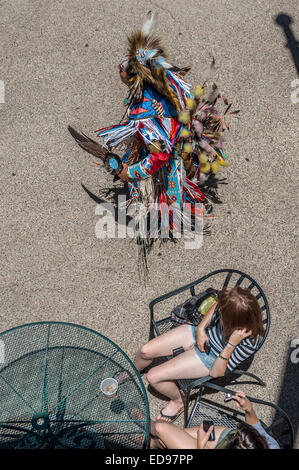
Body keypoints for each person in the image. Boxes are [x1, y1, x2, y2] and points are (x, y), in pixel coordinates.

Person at [95, 11, 236, 254]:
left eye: (121, 71)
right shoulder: (155, 87)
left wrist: (131, 171)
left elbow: (159, 154)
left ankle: (173, 224)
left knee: (170, 194)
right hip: (169, 140)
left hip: (167, 157)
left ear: (132, 78)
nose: (118, 72)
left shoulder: (144, 114)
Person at [131, 286, 265, 422]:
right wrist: (201, 328)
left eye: (223, 314)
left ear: (235, 323)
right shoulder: (229, 303)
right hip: (199, 334)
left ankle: (179, 401)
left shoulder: (249, 341)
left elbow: (216, 372)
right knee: (145, 351)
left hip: (212, 357)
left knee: (153, 377)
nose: (219, 312)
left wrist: (231, 344)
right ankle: (133, 371)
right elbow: (216, 305)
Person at [148, 390, 280, 449]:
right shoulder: (272, 447)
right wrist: (248, 409)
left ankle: (145, 432)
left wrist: (200, 445)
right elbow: (256, 427)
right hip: (224, 439)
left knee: (162, 430)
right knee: (167, 437)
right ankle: (148, 438)